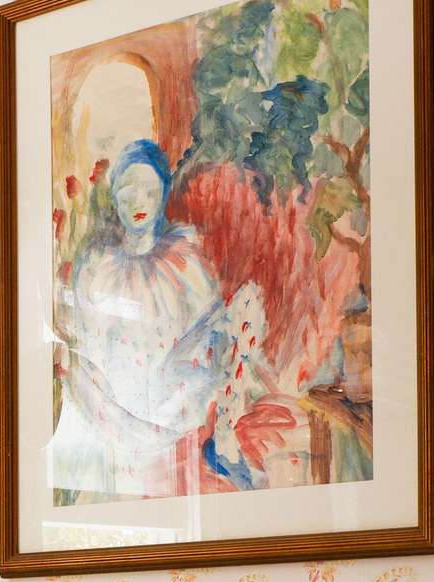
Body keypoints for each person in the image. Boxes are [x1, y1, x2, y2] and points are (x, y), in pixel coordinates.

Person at [51, 139, 271, 501]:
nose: (138, 201)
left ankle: (223, 441)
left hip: (175, 389)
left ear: (164, 193)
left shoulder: (184, 259)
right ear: (115, 197)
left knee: (248, 304)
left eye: (149, 190)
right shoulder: (96, 267)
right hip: (114, 398)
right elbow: (87, 345)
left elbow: (208, 332)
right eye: (127, 190)